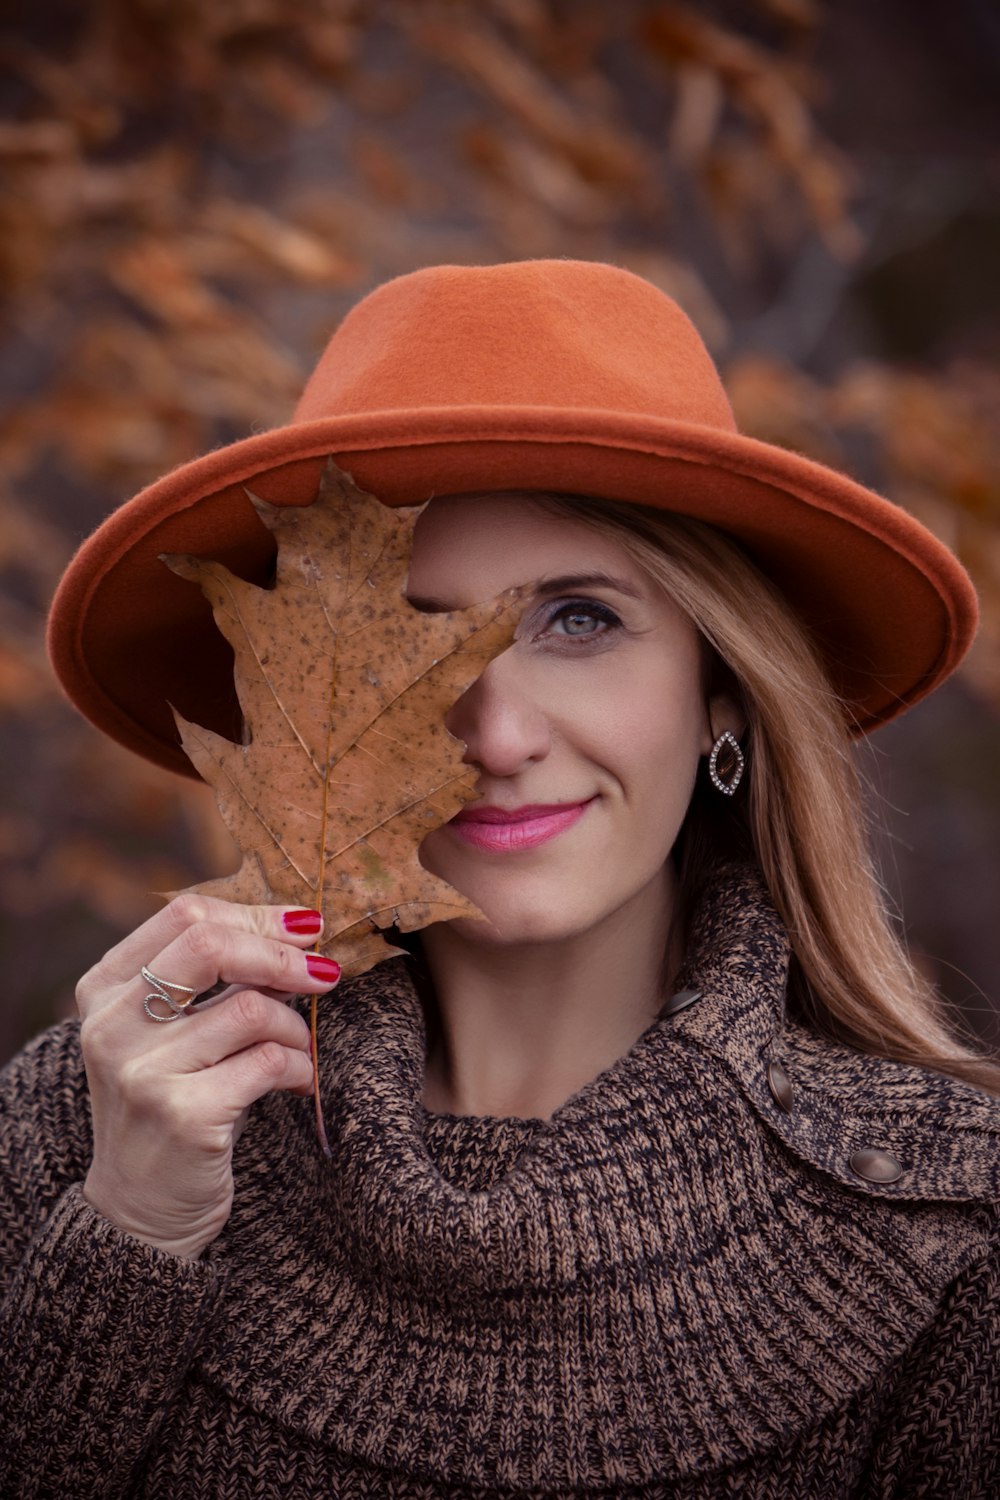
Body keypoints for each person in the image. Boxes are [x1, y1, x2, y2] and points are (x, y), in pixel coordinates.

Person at [3, 259, 999, 1498]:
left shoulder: (956, 1228)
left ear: (720, 697)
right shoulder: (86, 1133)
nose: (495, 736)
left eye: (577, 621)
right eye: (408, 644)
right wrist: (127, 1244)